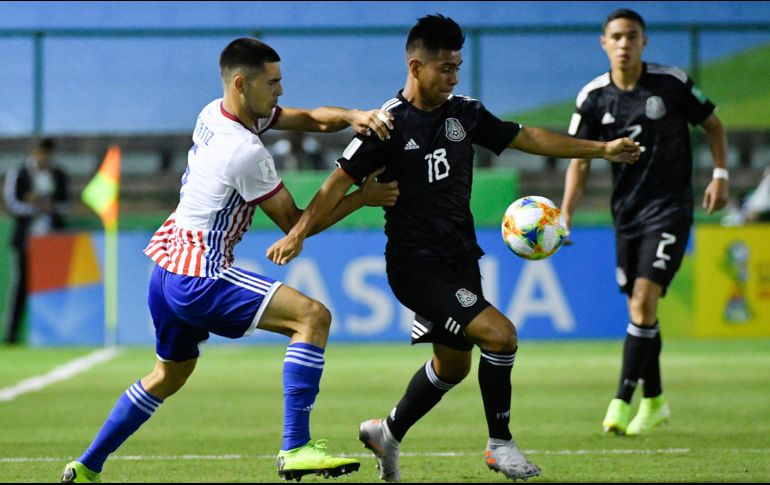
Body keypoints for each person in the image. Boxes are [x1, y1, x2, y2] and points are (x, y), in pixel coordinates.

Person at [266, 14, 640, 482]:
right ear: (415, 66)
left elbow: (525, 137)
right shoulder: (386, 126)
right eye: (445, 68)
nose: (454, 77)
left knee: (453, 366)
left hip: (461, 260)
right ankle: (500, 445)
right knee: (501, 335)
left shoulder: (466, 113)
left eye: (457, 67)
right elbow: (335, 184)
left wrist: (600, 150)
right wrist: (298, 233)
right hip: (416, 267)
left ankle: (387, 431)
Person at [60, 37, 399, 483]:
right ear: (242, 83)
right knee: (312, 318)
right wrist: (361, 198)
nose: (280, 90)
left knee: (167, 376)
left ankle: (87, 465)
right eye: (272, 83)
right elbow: (295, 223)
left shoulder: (212, 112)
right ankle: (295, 447)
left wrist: (353, 116)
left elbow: (308, 119)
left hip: (165, 268)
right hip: (201, 275)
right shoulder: (244, 152)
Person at [559, 8, 729, 436]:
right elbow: (579, 159)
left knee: (643, 300)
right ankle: (654, 400)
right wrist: (566, 213)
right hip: (626, 215)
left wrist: (720, 175)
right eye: (616, 37)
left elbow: (713, 126)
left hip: (670, 208)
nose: (624, 44)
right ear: (604, 43)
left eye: (631, 36)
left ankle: (620, 401)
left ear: (644, 41)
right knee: (641, 310)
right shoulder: (593, 97)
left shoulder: (671, 83)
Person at [3, 137, 70, 344]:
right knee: (21, 286)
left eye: (48, 154)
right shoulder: (19, 173)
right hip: (27, 239)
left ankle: (53, 335)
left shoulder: (58, 175)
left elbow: (65, 204)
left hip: (52, 239)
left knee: (53, 287)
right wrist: (35, 207)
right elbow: (11, 204)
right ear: (33, 152)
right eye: (41, 153)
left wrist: (51, 207)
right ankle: (11, 334)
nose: (44, 158)